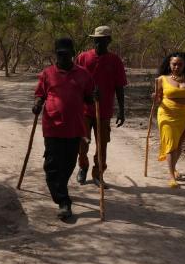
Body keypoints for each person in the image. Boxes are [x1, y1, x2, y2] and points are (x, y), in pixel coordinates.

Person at [32, 37, 95, 220]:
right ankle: (63, 202)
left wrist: (95, 96)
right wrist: (37, 105)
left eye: (66, 54)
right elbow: (40, 94)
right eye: (59, 54)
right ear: (56, 54)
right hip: (52, 126)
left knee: (68, 164)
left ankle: (61, 189)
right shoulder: (47, 73)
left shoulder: (83, 74)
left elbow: (89, 99)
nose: (63, 58)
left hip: (74, 128)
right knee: (51, 166)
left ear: (73, 54)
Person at [76, 26, 128, 188]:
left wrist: (121, 109)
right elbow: (74, 81)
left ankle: (98, 173)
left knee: (102, 145)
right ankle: (83, 167)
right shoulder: (83, 57)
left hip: (104, 111)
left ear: (109, 41)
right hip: (84, 110)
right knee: (82, 143)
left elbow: (120, 86)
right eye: (96, 40)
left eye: (102, 40)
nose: (98, 43)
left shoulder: (115, 60)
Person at [152, 52, 185, 188]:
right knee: (170, 144)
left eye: (180, 64)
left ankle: (173, 168)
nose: (177, 67)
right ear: (169, 65)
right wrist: (155, 97)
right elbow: (158, 100)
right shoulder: (161, 79)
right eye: (174, 64)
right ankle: (171, 177)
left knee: (179, 144)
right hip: (166, 113)